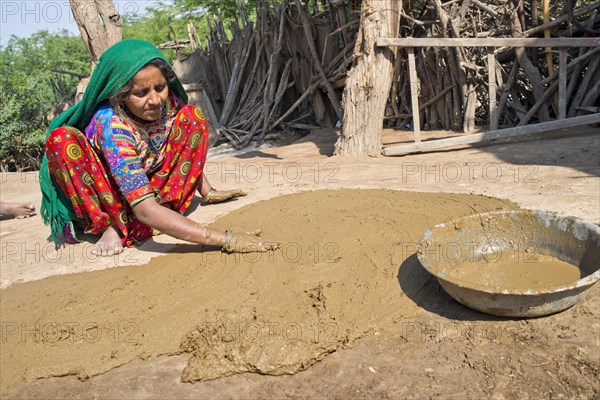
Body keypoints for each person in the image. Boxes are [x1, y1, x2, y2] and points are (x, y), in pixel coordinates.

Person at [40, 39, 279, 256]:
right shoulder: (114, 127)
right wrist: (225, 238)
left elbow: (183, 144)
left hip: (149, 184)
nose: (154, 100)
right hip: (111, 193)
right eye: (140, 93)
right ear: (120, 95)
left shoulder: (166, 105)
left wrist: (206, 190)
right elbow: (145, 211)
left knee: (191, 116)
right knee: (62, 140)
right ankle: (113, 225)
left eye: (160, 88)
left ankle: (161, 211)